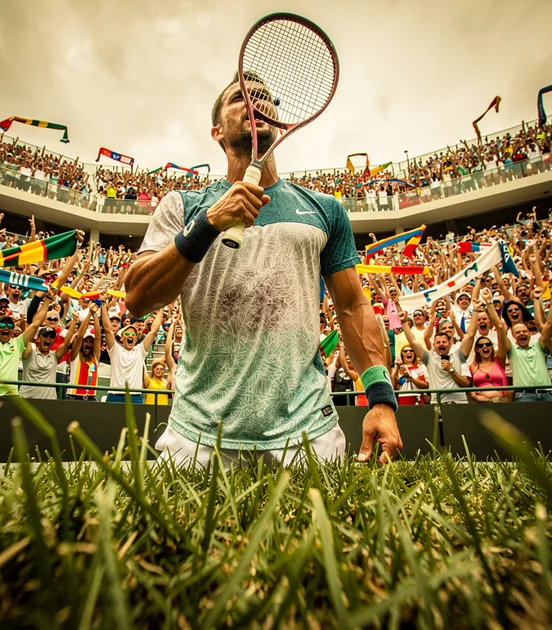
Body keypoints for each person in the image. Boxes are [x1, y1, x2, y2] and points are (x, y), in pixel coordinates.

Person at [125, 70, 401, 466]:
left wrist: (380, 399)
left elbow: (353, 306)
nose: (254, 103)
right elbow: (136, 298)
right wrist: (208, 223)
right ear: (216, 131)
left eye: (262, 97)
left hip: (308, 433)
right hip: (197, 435)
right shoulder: (181, 205)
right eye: (240, 98)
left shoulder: (325, 209)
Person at [0, 269, 47, 397]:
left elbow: (35, 324)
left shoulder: (17, 343)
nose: (6, 327)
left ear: (13, 330)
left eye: (9, 325)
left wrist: (48, 299)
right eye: (1, 325)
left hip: (10, 397)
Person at [401, 310, 474, 404]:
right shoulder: (429, 357)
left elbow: (471, 335)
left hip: (458, 402)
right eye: (438, 342)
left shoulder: (458, 355)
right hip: (438, 404)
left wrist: (451, 370)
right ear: (434, 346)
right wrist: (403, 322)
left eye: (444, 342)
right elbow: (413, 342)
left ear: (449, 344)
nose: (441, 344)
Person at [503, 287, 552, 402]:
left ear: (529, 333)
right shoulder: (510, 345)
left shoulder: (538, 343)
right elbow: (499, 327)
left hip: (546, 391)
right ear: (513, 336)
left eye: (524, 331)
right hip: (523, 393)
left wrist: (550, 294)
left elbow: (549, 324)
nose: (522, 333)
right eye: (518, 332)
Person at [20, 300, 78, 400]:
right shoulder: (30, 352)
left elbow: (67, 342)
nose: (48, 339)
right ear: (38, 338)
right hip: (27, 400)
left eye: (51, 337)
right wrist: (23, 324)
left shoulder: (54, 355)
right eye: (45, 336)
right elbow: (26, 338)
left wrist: (75, 321)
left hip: (49, 401)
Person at [102, 309, 163, 403]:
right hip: (115, 395)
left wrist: (161, 309)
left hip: (135, 396)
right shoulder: (115, 349)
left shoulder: (140, 350)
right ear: (121, 338)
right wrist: (103, 305)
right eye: (127, 333)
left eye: (133, 334)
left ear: (136, 338)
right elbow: (107, 329)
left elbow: (154, 331)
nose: (130, 335)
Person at [468, 293, 511, 403]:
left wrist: (489, 303)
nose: (485, 347)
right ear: (477, 349)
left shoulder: (499, 360)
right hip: (481, 406)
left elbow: (500, 327)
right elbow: (468, 385)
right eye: (481, 345)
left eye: (488, 344)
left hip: (501, 402)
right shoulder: (473, 366)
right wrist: (475, 396)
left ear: (492, 347)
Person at [66, 303, 101, 401]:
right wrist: (89, 314)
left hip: (91, 398)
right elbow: (80, 336)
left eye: (91, 341)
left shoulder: (95, 356)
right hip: (74, 397)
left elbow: (98, 337)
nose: (88, 343)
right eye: (86, 341)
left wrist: (95, 315)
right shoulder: (75, 355)